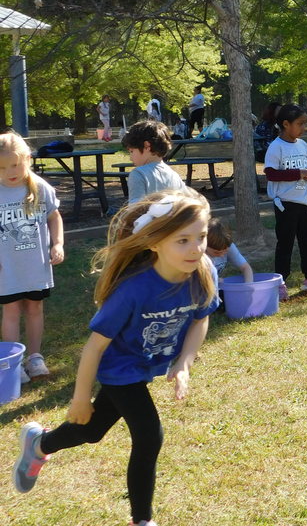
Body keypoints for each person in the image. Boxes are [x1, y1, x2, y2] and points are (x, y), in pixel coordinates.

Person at [12, 190, 218, 526]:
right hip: (120, 367)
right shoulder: (133, 290)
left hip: (145, 363)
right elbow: (94, 347)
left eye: (201, 237)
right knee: (150, 435)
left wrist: (184, 362)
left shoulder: (202, 270)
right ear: (154, 242)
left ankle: (39, 444)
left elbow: (201, 316)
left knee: (91, 432)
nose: (195, 248)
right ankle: (142, 520)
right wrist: (80, 398)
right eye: (182, 240)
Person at [0, 132, 64, 383]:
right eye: (2, 167)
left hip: (36, 266)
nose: (10, 171)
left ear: (27, 158)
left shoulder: (40, 188)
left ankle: (35, 357)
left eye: (15, 164)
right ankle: (13, 362)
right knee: (12, 310)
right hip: (7, 268)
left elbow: (54, 217)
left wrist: (57, 243)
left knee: (35, 308)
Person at [264, 104, 307, 296]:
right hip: (285, 203)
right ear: (286, 124)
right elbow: (271, 174)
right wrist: (298, 173)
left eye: (305, 124)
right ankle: (280, 282)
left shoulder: (303, 145)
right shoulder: (276, 147)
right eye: (300, 124)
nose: (304, 128)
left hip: (304, 202)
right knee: (285, 243)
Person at [122, 120, 187, 204]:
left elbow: (135, 209)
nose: (131, 158)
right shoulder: (174, 175)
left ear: (147, 146)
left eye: (131, 151)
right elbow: (186, 201)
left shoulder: (138, 174)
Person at [205, 217, 254, 286]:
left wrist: (248, 286)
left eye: (224, 251)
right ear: (205, 244)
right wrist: (213, 280)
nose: (221, 255)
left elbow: (246, 268)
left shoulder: (229, 246)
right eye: (216, 252)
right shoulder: (200, 254)